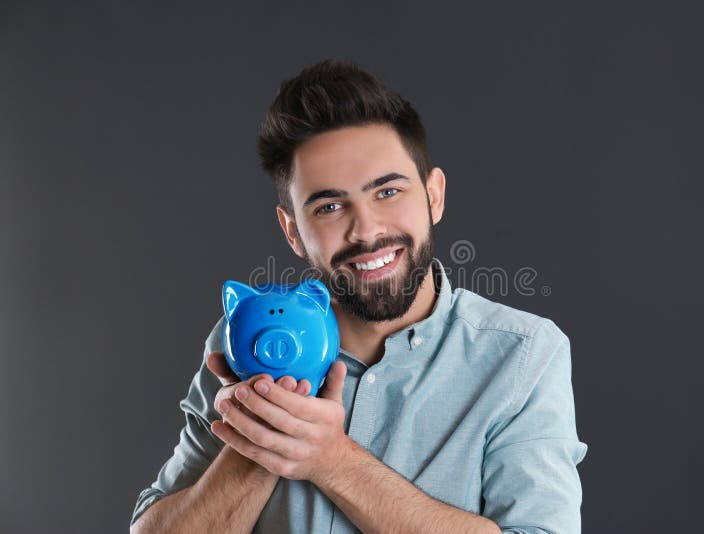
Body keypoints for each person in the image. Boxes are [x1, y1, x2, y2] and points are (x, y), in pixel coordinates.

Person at [130, 59, 588, 534]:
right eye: (329, 206)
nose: (366, 230)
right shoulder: (242, 338)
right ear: (292, 231)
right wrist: (261, 437)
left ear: (434, 196)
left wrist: (331, 460)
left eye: (388, 191)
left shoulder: (523, 355)